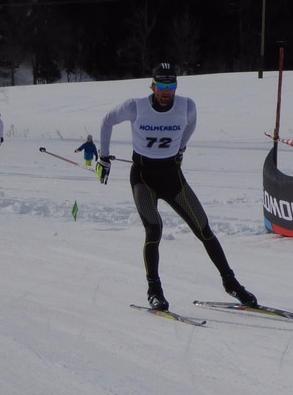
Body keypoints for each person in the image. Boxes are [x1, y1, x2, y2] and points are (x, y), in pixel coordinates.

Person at [98, 62, 257, 311]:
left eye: (170, 85)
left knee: (203, 228)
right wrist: (104, 156)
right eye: (161, 85)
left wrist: (181, 147)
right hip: (143, 178)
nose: (165, 91)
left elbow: (191, 124)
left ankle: (231, 282)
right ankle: (154, 291)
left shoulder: (186, 106)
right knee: (154, 229)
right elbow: (107, 120)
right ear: (152, 86)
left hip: (172, 177)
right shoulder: (136, 106)